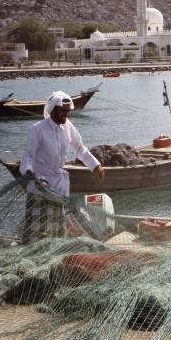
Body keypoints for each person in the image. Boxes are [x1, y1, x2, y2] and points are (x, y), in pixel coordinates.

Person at [19, 91, 105, 243]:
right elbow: (28, 156)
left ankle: (53, 252)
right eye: (62, 111)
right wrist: (28, 171)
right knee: (36, 227)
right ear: (53, 109)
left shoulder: (68, 127)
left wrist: (95, 166)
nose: (66, 114)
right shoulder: (38, 129)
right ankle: (31, 250)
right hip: (40, 184)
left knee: (56, 226)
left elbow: (80, 148)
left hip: (58, 185)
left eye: (67, 111)